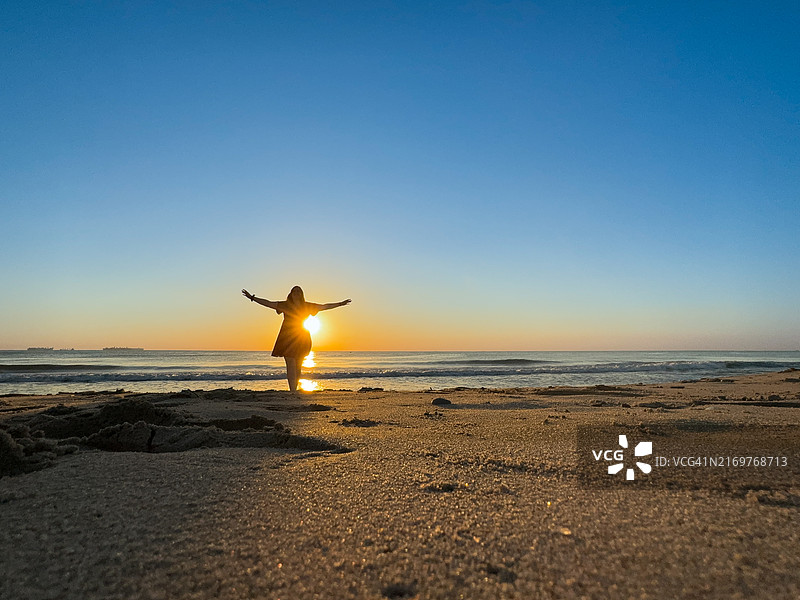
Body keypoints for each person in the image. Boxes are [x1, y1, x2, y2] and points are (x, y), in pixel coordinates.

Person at [241, 286, 351, 392]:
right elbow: (268, 303)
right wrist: (252, 298)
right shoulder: (285, 305)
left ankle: (295, 388)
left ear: (302, 294)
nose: (297, 293)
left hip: (302, 336)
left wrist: (340, 304)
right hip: (287, 336)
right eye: (295, 291)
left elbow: (324, 306)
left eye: (299, 291)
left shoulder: (307, 306)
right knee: (290, 363)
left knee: (298, 364)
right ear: (291, 294)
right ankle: (292, 390)